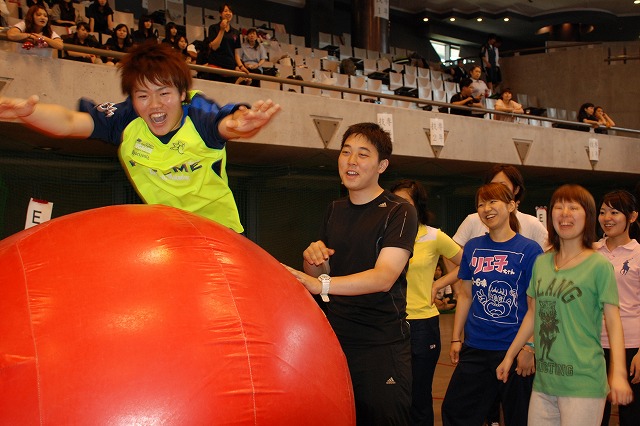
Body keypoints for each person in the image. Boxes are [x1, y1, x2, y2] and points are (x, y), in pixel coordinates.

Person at [0, 42, 280, 234]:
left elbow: (228, 126)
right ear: (132, 98)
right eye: (143, 95)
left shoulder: (198, 114)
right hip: (167, 232)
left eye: (164, 93)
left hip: (219, 231)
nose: (155, 105)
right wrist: (27, 113)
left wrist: (244, 126)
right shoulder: (126, 119)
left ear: (182, 94)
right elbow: (70, 122)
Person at [284, 122, 418, 425]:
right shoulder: (335, 209)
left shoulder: (399, 211)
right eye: (346, 152)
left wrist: (320, 284)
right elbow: (324, 272)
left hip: (381, 345)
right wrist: (313, 259)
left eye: (363, 154)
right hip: (335, 341)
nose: (351, 161)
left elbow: (384, 277)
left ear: (382, 165)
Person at [496, 184, 633, 425]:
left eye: (573, 207)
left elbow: (613, 322)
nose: (564, 214)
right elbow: (533, 314)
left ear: (587, 216)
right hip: (545, 381)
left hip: (583, 383)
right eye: (558, 207)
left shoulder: (599, 266)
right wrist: (510, 355)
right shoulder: (542, 263)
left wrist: (619, 374)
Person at [441, 182, 543, 426]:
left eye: (493, 201)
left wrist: (529, 348)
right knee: (455, 411)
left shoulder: (529, 250)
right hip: (476, 347)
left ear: (511, 206)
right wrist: (456, 338)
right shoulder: (473, 247)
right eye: (481, 204)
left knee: (519, 417)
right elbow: (466, 295)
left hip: (514, 348)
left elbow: (536, 306)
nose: (486, 208)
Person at [391, 178, 462, 426]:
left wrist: (438, 284)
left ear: (418, 205)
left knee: (419, 396)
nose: (399, 207)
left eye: (405, 202)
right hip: (390, 323)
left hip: (422, 325)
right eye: (394, 201)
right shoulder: (385, 235)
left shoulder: (433, 236)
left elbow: (468, 264)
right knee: (393, 395)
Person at [595, 190, 640, 426]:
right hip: (593, 345)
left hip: (632, 346)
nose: (607, 218)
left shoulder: (638, 254)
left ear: (632, 217)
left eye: (615, 212)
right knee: (594, 416)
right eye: (603, 212)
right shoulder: (589, 251)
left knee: (632, 417)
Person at [452, 164, 549, 251]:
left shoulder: (531, 223)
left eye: (503, 185)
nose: (497, 190)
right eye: (492, 185)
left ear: (516, 189)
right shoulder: (473, 220)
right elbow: (451, 253)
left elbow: (550, 254)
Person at [204, 4, 241, 83]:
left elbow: (236, 53)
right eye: (225, 11)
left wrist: (241, 66)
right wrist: (222, 30)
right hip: (215, 66)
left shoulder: (236, 32)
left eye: (230, 11)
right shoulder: (213, 28)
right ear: (220, 14)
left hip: (230, 68)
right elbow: (214, 47)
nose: (228, 13)